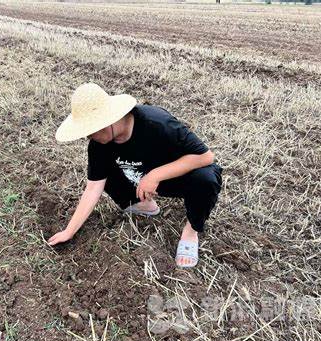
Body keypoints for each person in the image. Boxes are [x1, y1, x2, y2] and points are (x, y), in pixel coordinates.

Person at [48, 82, 223, 268]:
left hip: (178, 177)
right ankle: (144, 205)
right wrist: (69, 231)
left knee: (207, 178)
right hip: (141, 180)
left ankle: (191, 231)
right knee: (103, 174)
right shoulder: (99, 145)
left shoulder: (157, 122)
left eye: (90, 132)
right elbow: (93, 188)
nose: (88, 138)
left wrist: (155, 175)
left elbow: (206, 157)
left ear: (106, 121)